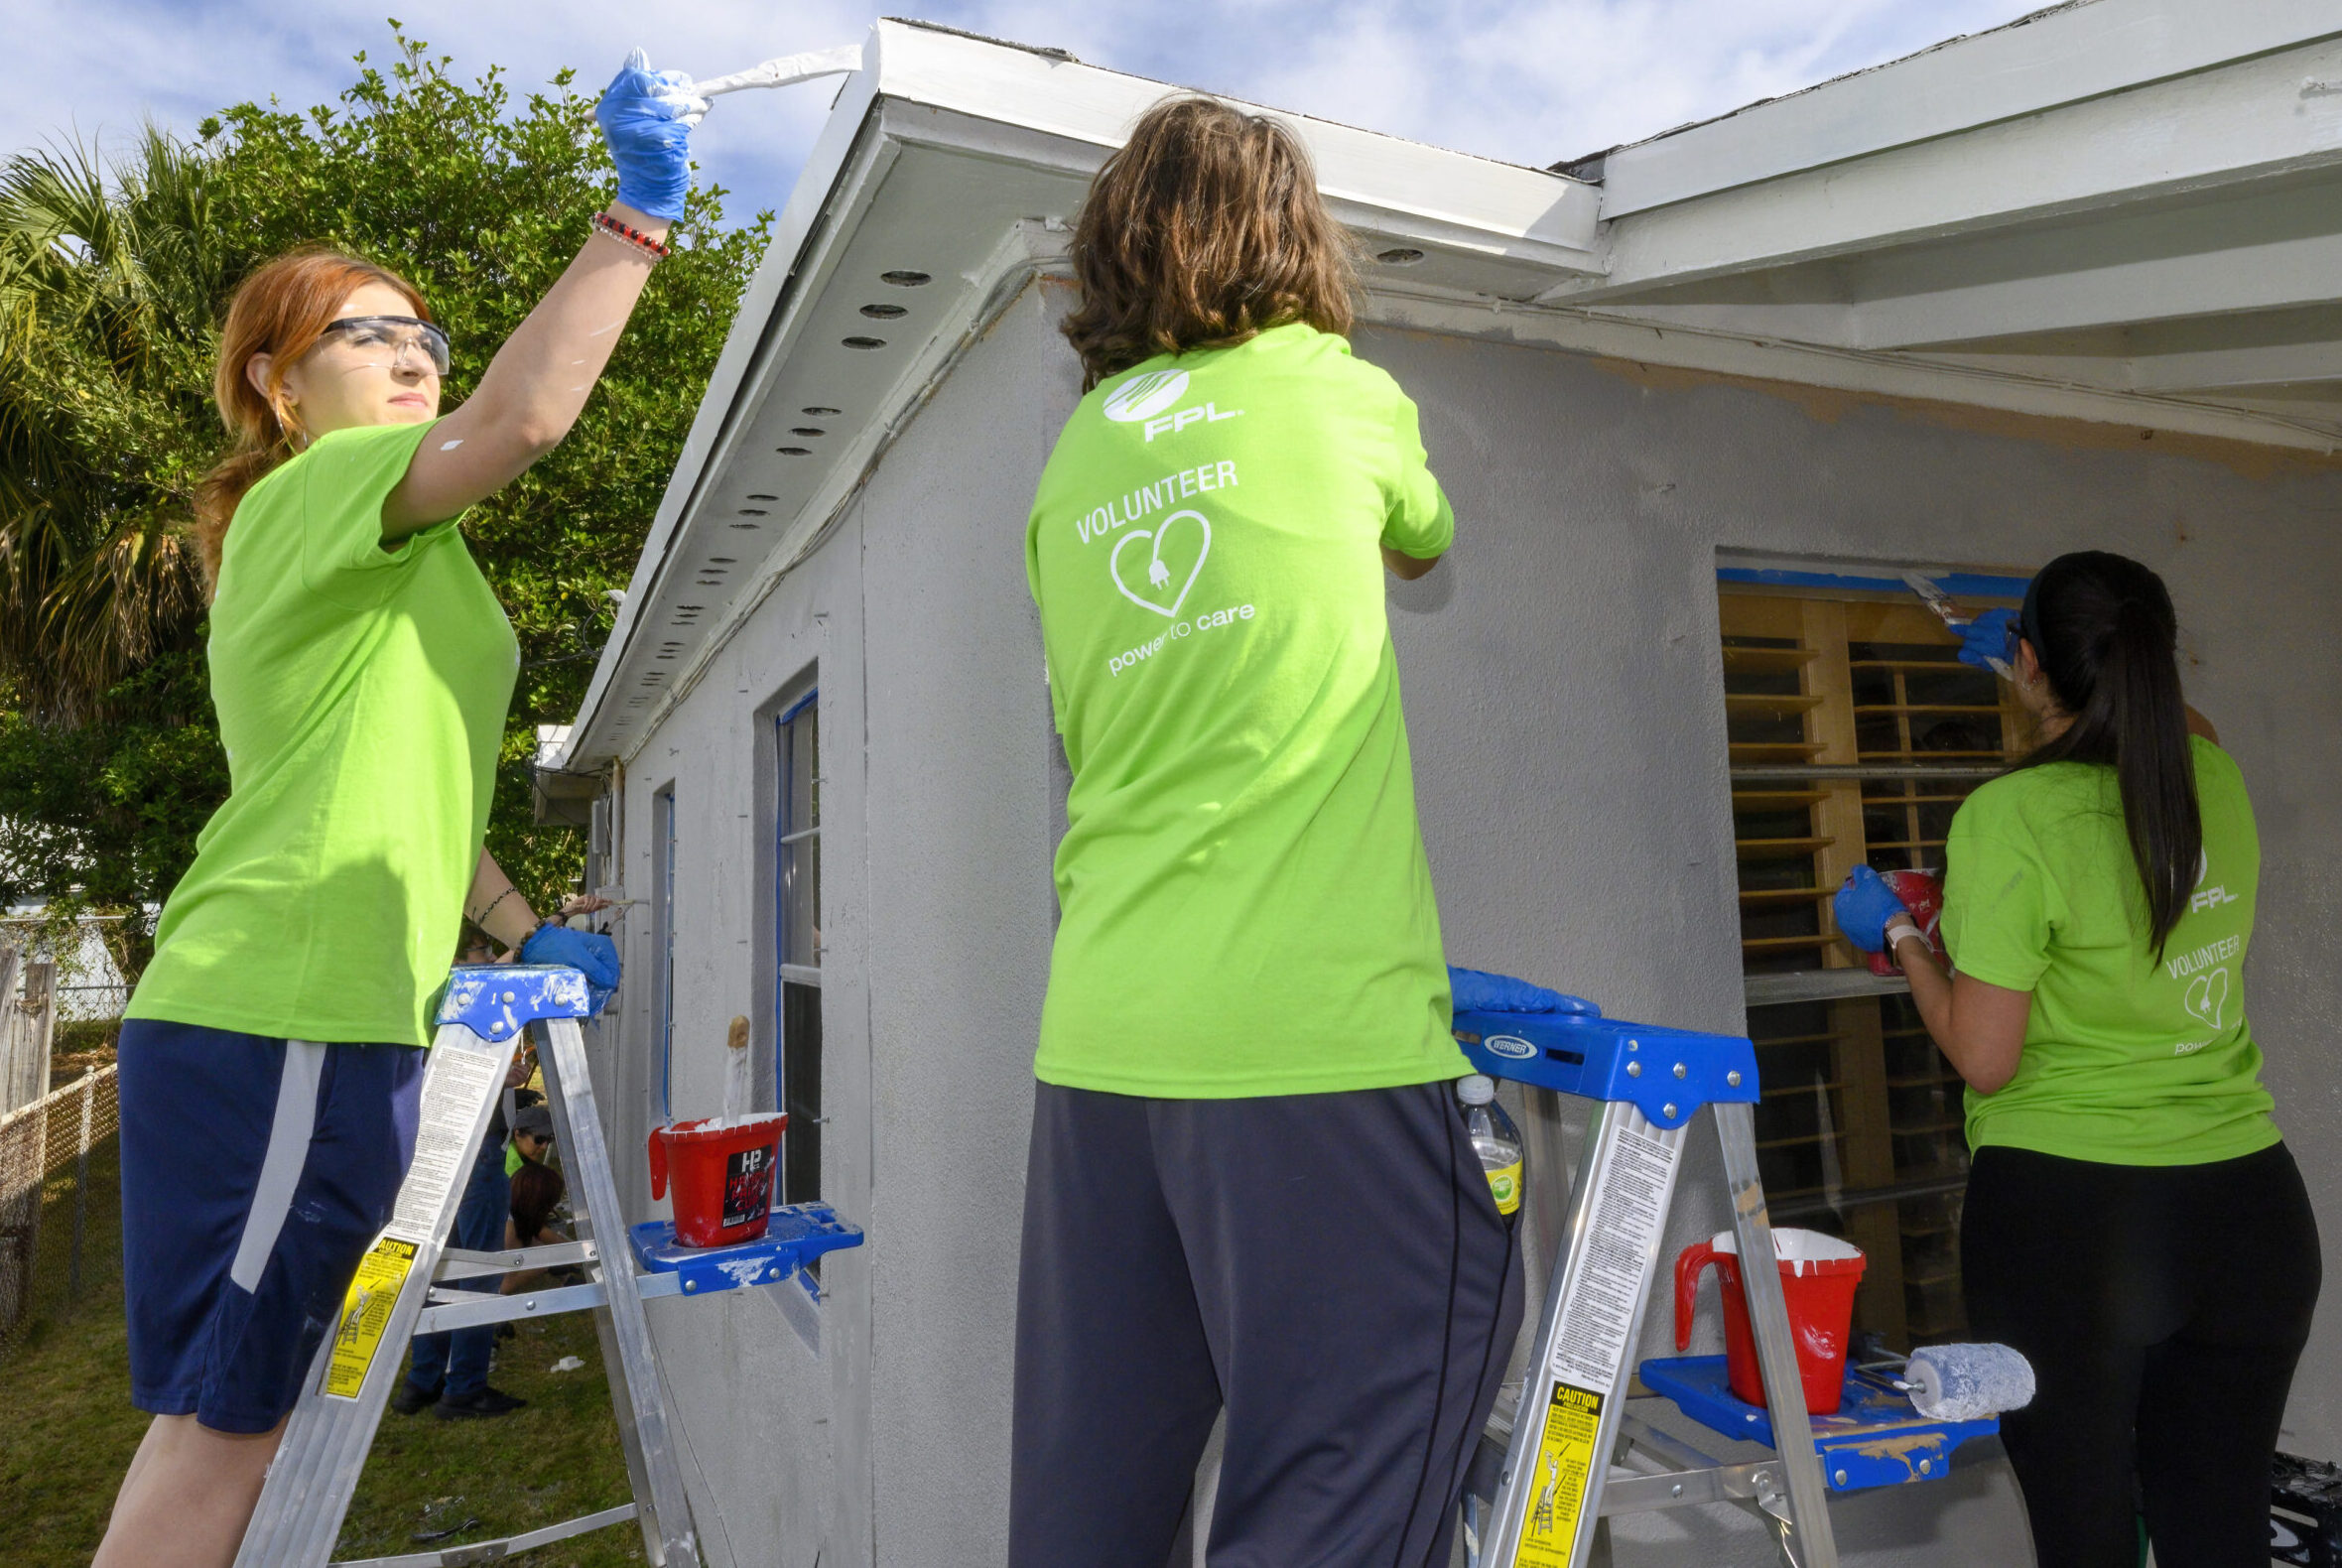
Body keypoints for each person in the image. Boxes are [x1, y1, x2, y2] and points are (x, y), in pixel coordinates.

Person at [95, 49, 701, 1568]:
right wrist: (633, 219)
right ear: (276, 388)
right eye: (364, 334)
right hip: (277, 1009)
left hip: (347, 1015)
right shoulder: (315, 494)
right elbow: (525, 424)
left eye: (421, 328)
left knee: (259, 1410)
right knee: (226, 1424)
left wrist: (521, 923)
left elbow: (416, 786)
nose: (415, 348)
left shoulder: (411, 555)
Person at [1011, 97, 1522, 1567]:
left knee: (1089, 1511)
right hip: (1312, 1047)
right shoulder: (1333, 388)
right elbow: (1422, 534)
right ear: (1287, 236)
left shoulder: (1076, 462)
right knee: (1342, 1495)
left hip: (1104, 1053)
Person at [1835, 551, 2320, 1568]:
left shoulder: (2010, 817)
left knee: (2085, 1537)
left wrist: (1901, 941)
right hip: (2249, 1219)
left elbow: (1983, 1054)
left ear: (2027, 661)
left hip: (2077, 1226)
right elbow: (2174, 722)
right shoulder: (2210, 773)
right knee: (2216, 1533)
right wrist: (2049, 683)